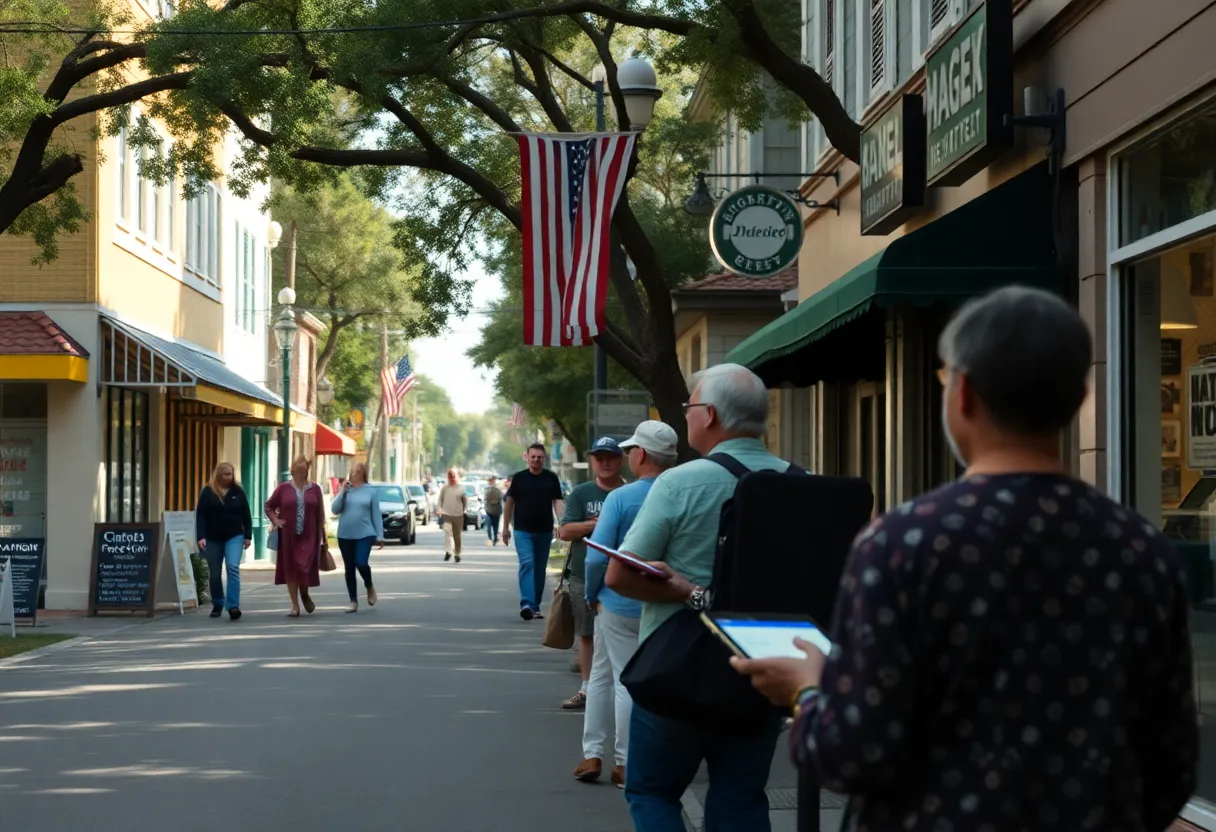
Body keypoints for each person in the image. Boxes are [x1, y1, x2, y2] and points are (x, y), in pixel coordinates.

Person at [733, 286, 1199, 831]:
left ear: (964, 395)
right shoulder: (1142, 550)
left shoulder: (901, 544)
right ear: (1077, 400)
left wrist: (807, 688)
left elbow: (850, 754)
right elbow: (1170, 768)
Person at [605, 364, 791, 832]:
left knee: (652, 791)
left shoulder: (680, 483)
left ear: (708, 415)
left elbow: (620, 576)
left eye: (689, 407)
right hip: (764, 667)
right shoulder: (800, 483)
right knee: (742, 798)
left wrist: (685, 591)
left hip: (679, 670)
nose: (685, 416)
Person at [573, 421, 678, 789]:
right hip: (664, 601)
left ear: (641, 455)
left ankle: (611, 758)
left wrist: (591, 594)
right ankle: (605, 756)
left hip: (616, 603)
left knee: (614, 679)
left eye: (632, 450)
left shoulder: (622, 497)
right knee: (611, 675)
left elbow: (597, 557)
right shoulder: (680, 493)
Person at [558, 437, 626, 711]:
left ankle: (624, 689)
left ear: (621, 460)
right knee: (586, 634)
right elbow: (565, 531)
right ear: (593, 461)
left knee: (622, 633)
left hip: (622, 578)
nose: (605, 462)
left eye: (610, 457)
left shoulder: (629, 493)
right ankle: (587, 690)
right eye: (599, 457)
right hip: (583, 574)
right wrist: (593, 524)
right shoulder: (581, 494)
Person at [503, 444, 564, 621]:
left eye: (539, 457)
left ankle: (535, 606)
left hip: (544, 531)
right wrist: (505, 528)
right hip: (522, 531)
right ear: (527, 457)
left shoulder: (551, 478)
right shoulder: (520, 478)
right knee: (527, 563)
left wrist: (563, 523)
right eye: (533, 456)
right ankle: (527, 604)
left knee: (539, 570)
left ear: (543, 458)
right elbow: (509, 503)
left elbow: (558, 502)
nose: (536, 460)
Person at [265, 455, 328, 617]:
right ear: (293, 470)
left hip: (310, 535)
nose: (302, 471)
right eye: (299, 468)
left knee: (303, 566)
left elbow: (320, 514)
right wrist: (276, 520)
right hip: (288, 534)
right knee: (291, 568)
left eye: (305, 467)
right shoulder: (283, 488)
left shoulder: (315, 489)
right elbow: (269, 506)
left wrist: (324, 538)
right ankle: (295, 605)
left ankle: (305, 594)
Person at [194, 462, 252, 621]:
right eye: (226, 474)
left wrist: (248, 535)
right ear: (218, 475)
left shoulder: (237, 492)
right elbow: (201, 516)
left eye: (231, 474)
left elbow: (246, 514)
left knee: (233, 567)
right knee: (214, 573)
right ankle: (218, 602)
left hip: (234, 536)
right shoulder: (208, 492)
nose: (229, 477)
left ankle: (233, 606)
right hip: (213, 538)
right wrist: (201, 536)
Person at [330, 462, 383, 613]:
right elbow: (335, 509)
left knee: (361, 562)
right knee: (349, 567)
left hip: (365, 533)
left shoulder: (370, 491)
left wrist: (380, 535)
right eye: (351, 471)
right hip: (345, 534)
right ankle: (353, 600)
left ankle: (369, 585)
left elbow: (376, 515)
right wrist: (343, 492)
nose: (353, 473)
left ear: (362, 473)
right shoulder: (346, 489)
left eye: (356, 471)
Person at [437, 469, 467, 563]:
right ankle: (448, 551)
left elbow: (465, 501)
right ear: (448, 477)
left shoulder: (461, 488)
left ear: (457, 476)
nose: (452, 478)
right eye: (450, 476)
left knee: (457, 536)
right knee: (447, 533)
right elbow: (440, 500)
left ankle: (457, 554)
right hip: (447, 514)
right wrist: (440, 510)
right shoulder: (445, 488)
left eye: (454, 476)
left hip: (458, 514)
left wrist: (464, 510)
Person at [483, 476, 504, 546]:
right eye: (490, 480)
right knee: (488, 525)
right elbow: (486, 498)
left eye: (492, 480)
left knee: (495, 526)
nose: (491, 482)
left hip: (496, 511)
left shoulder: (498, 489)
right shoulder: (486, 489)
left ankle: (495, 539)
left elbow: (502, 497)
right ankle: (490, 538)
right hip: (488, 510)